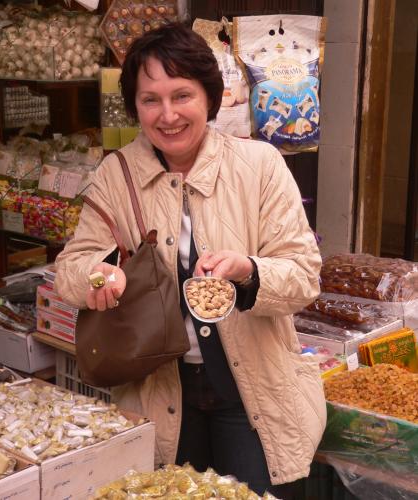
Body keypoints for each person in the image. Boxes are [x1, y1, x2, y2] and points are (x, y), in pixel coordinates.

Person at [55, 22, 326, 498]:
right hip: (160, 393)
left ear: (209, 97)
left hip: (254, 393)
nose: (168, 115)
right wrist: (99, 276)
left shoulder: (259, 166)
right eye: (150, 100)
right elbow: (72, 267)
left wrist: (249, 270)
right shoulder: (116, 174)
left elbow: (303, 274)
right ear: (135, 106)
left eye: (182, 95)